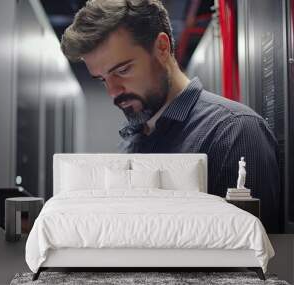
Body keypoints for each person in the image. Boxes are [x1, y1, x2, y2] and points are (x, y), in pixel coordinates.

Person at [60, 0, 280, 232]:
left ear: (162, 47)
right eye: (103, 79)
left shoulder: (234, 133)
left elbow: (255, 257)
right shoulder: (132, 139)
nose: (113, 92)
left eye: (123, 70)